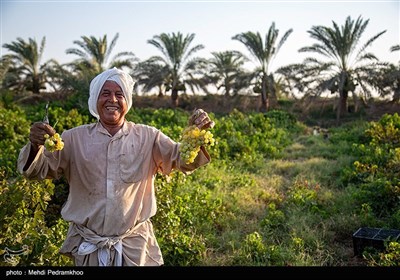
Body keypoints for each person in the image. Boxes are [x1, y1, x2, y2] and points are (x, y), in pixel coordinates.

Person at [17, 67, 215, 266]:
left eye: (119, 94)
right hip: (89, 247)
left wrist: (194, 135)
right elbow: (36, 170)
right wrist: (36, 145)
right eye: (106, 94)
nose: (112, 100)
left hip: (134, 248)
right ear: (95, 99)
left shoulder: (148, 137)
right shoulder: (73, 138)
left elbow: (180, 159)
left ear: (126, 102)